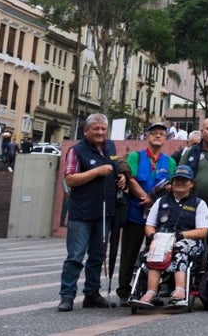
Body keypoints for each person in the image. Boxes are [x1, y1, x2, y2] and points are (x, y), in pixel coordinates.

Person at [58, 113, 126, 311]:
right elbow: (69, 179)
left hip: (104, 211)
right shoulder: (76, 150)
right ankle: (67, 296)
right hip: (82, 212)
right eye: (96, 129)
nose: (100, 132)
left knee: (97, 256)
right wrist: (95, 172)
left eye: (103, 129)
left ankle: (92, 294)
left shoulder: (110, 147)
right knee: (76, 256)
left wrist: (120, 176)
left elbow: (114, 166)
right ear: (86, 131)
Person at [131, 164, 208, 308]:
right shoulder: (161, 202)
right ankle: (151, 291)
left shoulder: (199, 204)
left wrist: (180, 236)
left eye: (184, 180)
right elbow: (149, 225)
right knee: (154, 251)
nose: (180, 183)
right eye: (177, 180)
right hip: (162, 239)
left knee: (179, 248)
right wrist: (154, 237)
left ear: (191, 184)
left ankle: (180, 289)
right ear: (171, 183)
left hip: (188, 239)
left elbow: (203, 231)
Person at [117, 121, 176, 306]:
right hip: (136, 212)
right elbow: (131, 179)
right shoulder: (136, 156)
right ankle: (125, 291)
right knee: (130, 252)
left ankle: (148, 290)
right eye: (154, 133)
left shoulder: (170, 161)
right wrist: (146, 198)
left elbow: (170, 185)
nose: (158, 136)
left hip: (159, 217)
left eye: (161, 133)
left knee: (156, 254)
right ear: (147, 137)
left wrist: (155, 202)